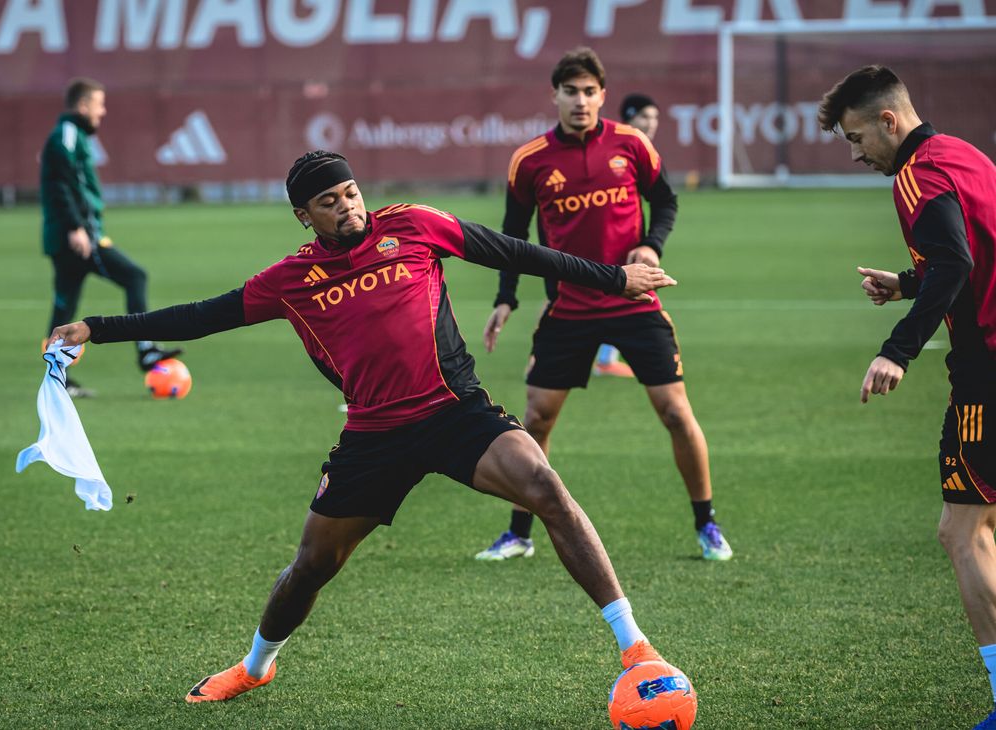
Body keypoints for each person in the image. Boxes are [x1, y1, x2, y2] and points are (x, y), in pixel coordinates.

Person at [49, 150, 682, 704]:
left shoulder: (412, 225)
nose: (348, 207)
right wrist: (96, 328)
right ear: (305, 215)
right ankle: (255, 666)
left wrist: (616, 277)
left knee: (548, 490)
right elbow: (199, 317)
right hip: (374, 437)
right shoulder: (290, 280)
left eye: (350, 193)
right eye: (329, 202)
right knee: (311, 565)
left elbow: (513, 249)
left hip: (456, 411)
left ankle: (634, 645)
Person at [478, 48, 733, 562]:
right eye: (570, 91)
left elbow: (665, 201)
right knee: (536, 418)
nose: (580, 100)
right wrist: (506, 297)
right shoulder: (530, 161)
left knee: (675, 412)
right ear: (555, 96)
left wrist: (652, 246)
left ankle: (707, 524)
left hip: (634, 300)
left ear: (602, 95)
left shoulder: (632, 144)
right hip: (568, 308)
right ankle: (519, 533)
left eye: (589, 91)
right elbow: (512, 236)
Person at [818, 65, 996, 729]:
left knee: (961, 530)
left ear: (889, 121)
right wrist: (904, 281)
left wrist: (897, 348)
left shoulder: (916, 176)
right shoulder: (965, 155)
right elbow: (970, 247)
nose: (857, 151)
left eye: (858, 136)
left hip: (987, 367)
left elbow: (956, 262)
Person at [40, 77, 180, 397]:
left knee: (64, 308)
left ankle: (58, 381)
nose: (102, 112)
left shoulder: (70, 135)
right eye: (99, 105)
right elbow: (62, 183)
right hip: (80, 238)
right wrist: (76, 227)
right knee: (135, 276)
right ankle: (146, 350)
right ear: (83, 105)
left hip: (65, 238)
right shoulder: (68, 134)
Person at [593, 93, 662, 378]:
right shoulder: (614, 149)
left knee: (628, 291)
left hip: (624, 240)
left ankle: (607, 359)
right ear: (629, 118)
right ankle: (539, 358)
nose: (651, 123)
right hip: (596, 239)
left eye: (655, 117)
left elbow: (663, 199)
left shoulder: (641, 150)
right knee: (563, 295)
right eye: (644, 117)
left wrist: (649, 242)